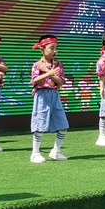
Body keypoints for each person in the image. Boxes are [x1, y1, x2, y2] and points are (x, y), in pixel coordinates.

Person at [29, 35, 69, 163]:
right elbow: (34, 80)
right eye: (51, 48)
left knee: (63, 124)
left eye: (56, 48)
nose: (55, 51)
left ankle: (56, 151)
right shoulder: (37, 65)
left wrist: (47, 71)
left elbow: (60, 81)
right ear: (42, 49)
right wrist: (49, 73)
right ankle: (35, 153)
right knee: (40, 123)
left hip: (54, 94)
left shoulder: (58, 64)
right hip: (42, 95)